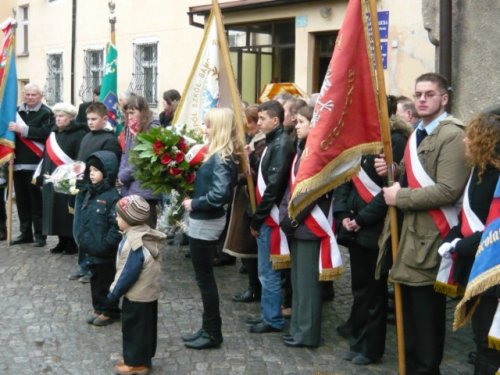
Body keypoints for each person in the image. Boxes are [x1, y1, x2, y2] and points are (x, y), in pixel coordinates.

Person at [376, 72, 469, 374]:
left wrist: (400, 196)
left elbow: (447, 190)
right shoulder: (418, 132)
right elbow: (410, 174)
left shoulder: (452, 135)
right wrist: (392, 170)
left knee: (426, 324)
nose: (422, 100)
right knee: (410, 322)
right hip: (410, 237)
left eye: (429, 94)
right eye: (418, 94)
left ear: (444, 98)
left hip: (432, 238)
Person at [333, 99, 411, 365]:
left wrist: (362, 219)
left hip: (377, 228)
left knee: (375, 291)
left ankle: (372, 348)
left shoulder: (396, 141)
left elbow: (391, 189)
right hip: (354, 225)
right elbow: (346, 180)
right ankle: (359, 339)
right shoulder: (360, 141)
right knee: (359, 289)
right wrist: (342, 214)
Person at [441, 110, 500, 375]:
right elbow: (470, 216)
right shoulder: (479, 170)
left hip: (493, 267)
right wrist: (454, 235)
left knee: (492, 343)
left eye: (471, 136)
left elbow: (494, 228)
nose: (465, 141)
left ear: (487, 140)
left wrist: (463, 246)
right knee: (481, 338)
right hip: (477, 267)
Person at [180, 108, 241, 350]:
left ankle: (213, 332)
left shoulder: (222, 157)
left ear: (219, 127)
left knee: (205, 279)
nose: (203, 129)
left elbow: (220, 194)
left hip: (207, 221)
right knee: (203, 278)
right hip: (204, 219)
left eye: (207, 125)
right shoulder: (218, 154)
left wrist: (194, 203)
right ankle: (208, 328)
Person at [279, 104, 334, 348]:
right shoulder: (302, 149)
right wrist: (285, 214)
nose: (297, 125)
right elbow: (290, 189)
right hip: (296, 225)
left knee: (308, 285)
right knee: (297, 281)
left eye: (302, 121)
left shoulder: (319, 153)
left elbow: (311, 192)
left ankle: (308, 333)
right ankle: (298, 328)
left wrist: (291, 218)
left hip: (310, 226)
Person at [248, 100, 294, 334]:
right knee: (264, 271)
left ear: (275, 120)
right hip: (266, 216)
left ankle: (273, 318)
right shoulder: (271, 142)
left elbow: (273, 186)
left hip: (271, 217)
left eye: (263, 118)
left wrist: (257, 218)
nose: (259, 122)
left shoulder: (281, 144)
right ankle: (268, 313)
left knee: (269, 272)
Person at [109, 194, 166, 375]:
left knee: (134, 328)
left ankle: (136, 364)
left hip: (137, 294)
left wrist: (114, 293)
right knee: (145, 327)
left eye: (119, 216)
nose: (116, 219)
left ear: (129, 220)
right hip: (147, 293)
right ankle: (143, 358)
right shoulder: (143, 233)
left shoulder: (134, 243)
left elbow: (128, 273)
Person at [70, 102, 122, 283]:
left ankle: (93, 268)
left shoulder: (110, 140)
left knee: (95, 231)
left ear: (105, 119)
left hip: (98, 192)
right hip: (83, 189)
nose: (90, 122)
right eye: (88, 119)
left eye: (94, 119)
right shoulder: (86, 137)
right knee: (80, 230)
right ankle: (83, 265)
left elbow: (108, 167)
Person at [74, 151, 122, 327]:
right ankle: (99, 308)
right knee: (95, 282)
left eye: (96, 170)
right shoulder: (90, 193)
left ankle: (109, 311)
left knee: (106, 282)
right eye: (90, 170)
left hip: (104, 251)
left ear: (107, 172)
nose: (91, 174)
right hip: (91, 248)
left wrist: (106, 245)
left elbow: (115, 227)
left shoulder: (112, 197)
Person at [37, 103, 87, 254]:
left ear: (71, 117)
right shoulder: (53, 133)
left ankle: (71, 242)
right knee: (54, 210)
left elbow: (80, 158)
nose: (58, 119)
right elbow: (46, 155)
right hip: (52, 176)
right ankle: (61, 241)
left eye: (61, 116)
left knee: (66, 211)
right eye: (56, 116)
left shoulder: (79, 134)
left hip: (68, 178)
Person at [8, 83, 54, 247]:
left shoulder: (47, 113)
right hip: (17, 162)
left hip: (36, 164)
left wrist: (24, 130)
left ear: (40, 95)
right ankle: (25, 233)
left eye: (33, 94)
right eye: (27, 94)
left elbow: (47, 133)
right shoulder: (15, 111)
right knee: (21, 201)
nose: (30, 97)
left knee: (36, 201)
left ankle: (40, 235)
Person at [232, 105, 265, 303]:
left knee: (251, 246)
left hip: (254, 199)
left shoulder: (260, 143)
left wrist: (246, 160)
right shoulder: (252, 141)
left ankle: (256, 288)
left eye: (251, 122)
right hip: (246, 196)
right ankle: (253, 286)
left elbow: (254, 172)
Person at [118, 95, 160, 228]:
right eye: (127, 113)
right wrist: (120, 176)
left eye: (132, 112)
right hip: (129, 187)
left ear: (143, 111)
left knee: (145, 232)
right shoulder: (130, 128)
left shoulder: (152, 129)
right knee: (130, 231)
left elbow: (142, 159)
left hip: (144, 188)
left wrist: (123, 176)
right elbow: (126, 155)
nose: (129, 116)